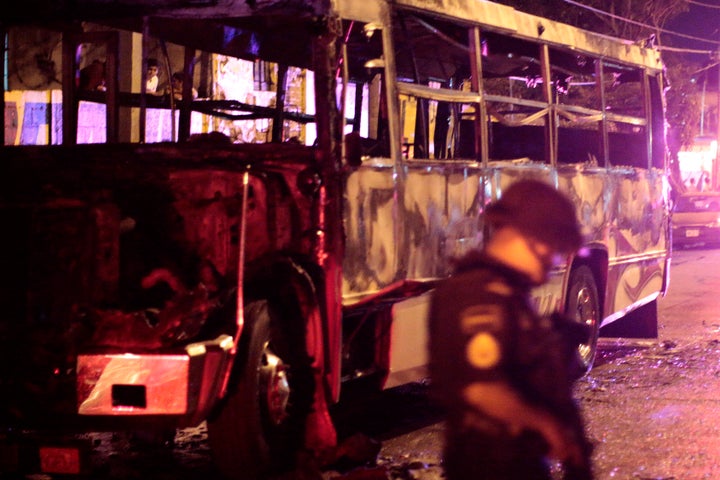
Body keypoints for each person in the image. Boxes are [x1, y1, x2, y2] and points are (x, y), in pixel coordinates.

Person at [429, 179, 593, 480]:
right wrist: (546, 425)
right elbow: (481, 389)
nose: (555, 261)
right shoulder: (477, 294)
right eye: (556, 250)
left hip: (519, 464)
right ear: (535, 239)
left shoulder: (509, 292)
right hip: (487, 467)